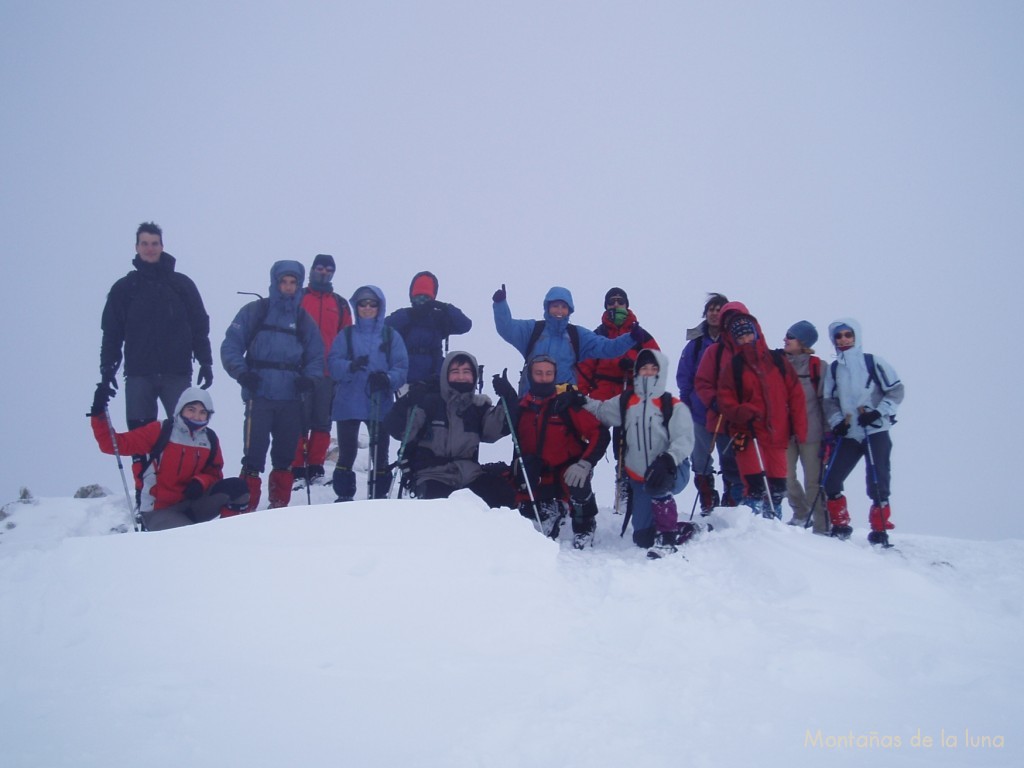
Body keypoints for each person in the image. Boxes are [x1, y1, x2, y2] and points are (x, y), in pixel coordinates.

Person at [99, 222, 214, 491]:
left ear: (162, 246)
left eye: (154, 243)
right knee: (141, 437)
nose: (150, 248)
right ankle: (145, 493)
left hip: (177, 372)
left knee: (186, 430)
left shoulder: (181, 284)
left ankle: (183, 490)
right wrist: (107, 369)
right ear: (137, 247)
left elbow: (200, 325)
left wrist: (205, 360)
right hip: (139, 373)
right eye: (144, 243)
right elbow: (112, 332)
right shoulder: (124, 288)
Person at [220, 260, 326, 511]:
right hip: (259, 394)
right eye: (284, 281)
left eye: (293, 283)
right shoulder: (255, 311)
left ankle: (279, 507)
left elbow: (316, 355)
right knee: (253, 455)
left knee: (285, 456)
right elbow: (231, 345)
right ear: (275, 282)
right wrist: (242, 374)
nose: (288, 287)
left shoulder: (303, 320)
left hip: (291, 396)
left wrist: (309, 379)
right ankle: (245, 506)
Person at [580, 349, 695, 557]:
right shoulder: (626, 401)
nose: (649, 372)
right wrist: (580, 400)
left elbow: (684, 439)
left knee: (659, 484)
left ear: (661, 372)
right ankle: (683, 528)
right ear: (637, 372)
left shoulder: (672, 405)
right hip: (639, 479)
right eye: (644, 368)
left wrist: (669, 458)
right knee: (642, 538)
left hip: (669, 470)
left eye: (653, 368)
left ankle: (667, 538)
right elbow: (602, 410)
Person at [88, 383, 248, 531]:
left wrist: (200, 482)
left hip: (192, 506)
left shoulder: (209, 438)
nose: (196, 416)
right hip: (159, 510)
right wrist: (98, 411)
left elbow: (214, 474)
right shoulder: (161, 430)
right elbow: (113, 444)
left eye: (202, 412)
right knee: (187, 537)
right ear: (181, 409)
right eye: (191, 409)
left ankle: (227, 536)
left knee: (237, 489)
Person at [493, 355, 610, 549]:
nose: (544, 378)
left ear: (555, 376)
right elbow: (503, 429)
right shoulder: (523, 408)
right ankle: (549, 509)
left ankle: (585, 525)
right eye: (539, 373)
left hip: (567, 475)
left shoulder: (564, 405)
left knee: (577, 481)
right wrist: (509, 397)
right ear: (530, 375)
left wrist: (585, 463)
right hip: (536, 476)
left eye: (549, 374)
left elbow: (600, 434)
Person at [385, 351, 514, 507]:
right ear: (445, 375)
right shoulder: (429, 402)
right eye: (455, 372)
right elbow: (398, 429)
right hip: (432, 474)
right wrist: (408, 400)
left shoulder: (477, 407)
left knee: (503, 495)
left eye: (466, 372)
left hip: (469, 474)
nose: (461, 377)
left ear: (474, 376)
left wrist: (508, 397)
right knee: (444, 507)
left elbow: (493, 431)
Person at [715, 308, 807, 518]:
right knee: (754, 483)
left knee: (777, 484)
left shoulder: (776, 360)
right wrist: (741, 411)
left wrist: (799, 430)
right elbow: (725, 399)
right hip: (746, 432)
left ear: (756, 332)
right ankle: (754, 524)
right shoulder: (734, 367)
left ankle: (773, 522)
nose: (746, 339)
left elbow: (795, 395)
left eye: (748, 334)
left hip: (775, 431)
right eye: (740, 337)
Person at [575, 287, 660, 514]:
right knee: (589, 441)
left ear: (626, 305)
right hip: (600, 395)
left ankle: (625, 486)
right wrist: (582, 397)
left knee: (626, 444)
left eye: (619, 301)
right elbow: (584, 368)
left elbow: (656, 364)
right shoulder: (597, 334)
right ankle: (581, 487)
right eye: (611, 302)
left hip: (629, 394)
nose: (615, 305)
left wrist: (635, 366)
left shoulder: (641, 335)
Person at [821, 318, 904, 545]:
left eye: (848, 335)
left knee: (878, 481)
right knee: (831, 481)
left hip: (875, 430)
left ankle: (879, 530)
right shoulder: (835, 368)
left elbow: (896, 390)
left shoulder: (873, 362)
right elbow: (829, 400)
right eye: (839, 336)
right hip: (850, 433)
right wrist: (838, 421)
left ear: (856, 336)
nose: (844, 339)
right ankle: (840, 525)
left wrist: (879, 412)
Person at [328, 285, 409, 501]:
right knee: (347, 452)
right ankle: (344, 495)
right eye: (362, 303)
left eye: (372, 304)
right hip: (349, 400)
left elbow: (401, 366)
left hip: (379, 401)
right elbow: (333, 364)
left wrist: (387, 378)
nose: (367, 307)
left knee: (380, 453)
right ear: (356, 306)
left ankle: (379, 494)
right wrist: (350, 367)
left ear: (379, 306)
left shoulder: (390, 336)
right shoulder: (346, 335)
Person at [492, 284, 643, 390]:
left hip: (564, 403)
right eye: (555, 306)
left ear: (569, 310)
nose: (559, 310)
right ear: (547, 307)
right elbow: (507, 328)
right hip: (531, 401)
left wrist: (630, 337)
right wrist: (500, 305)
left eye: (564, 307)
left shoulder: (577, 335)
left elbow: (607, 348)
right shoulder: (532, 330)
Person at [290, 254, 353, 489]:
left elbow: (347, 337)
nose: (324, 272)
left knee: (322, 422)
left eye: (329, 269)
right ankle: (296, 468)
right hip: (300, 371)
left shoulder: (339, 303)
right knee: (298, 421)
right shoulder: (299, 297)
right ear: (311, 270)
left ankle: (315, 466)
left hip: (328, 373)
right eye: (320, 268)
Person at [677, 292, 742, 514]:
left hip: (727, 412)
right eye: (711, 309)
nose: (714, 313)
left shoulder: (734, 341)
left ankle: (731, 501)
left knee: (729, 457)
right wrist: (685, 405)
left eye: (718, 309)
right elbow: (684, 377)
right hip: (699, 412)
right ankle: (708, 499)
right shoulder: (695, 344)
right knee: (700, 459)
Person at [780, 321, 829, 533]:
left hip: (812, 433)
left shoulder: (818, 367)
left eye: (790, 336)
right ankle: (801, 514)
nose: (785, 339)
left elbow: (825, 401)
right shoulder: (779, 364)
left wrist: (830, 433)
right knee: (785, 477)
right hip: (786, 432)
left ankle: (821, 524)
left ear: (803, 342)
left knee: (813, 482)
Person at [384, 271, 472, 387]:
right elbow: (383, 329)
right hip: (407, 379)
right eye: (418, 297)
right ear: (412, 298)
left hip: (434, 378)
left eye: (426, 298)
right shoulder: (405, 316)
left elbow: (465, 325)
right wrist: (410, 315)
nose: (422, 301)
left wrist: (446, 307)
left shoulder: (439, 318)